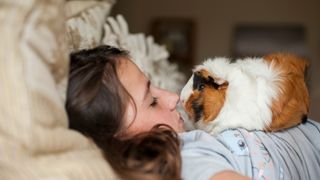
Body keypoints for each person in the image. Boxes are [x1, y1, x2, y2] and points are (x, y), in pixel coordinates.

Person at [66, 45, 320, 180]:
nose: (173, 96)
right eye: (152, 101)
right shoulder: (183, 158)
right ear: (121, 142)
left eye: (155, 86)